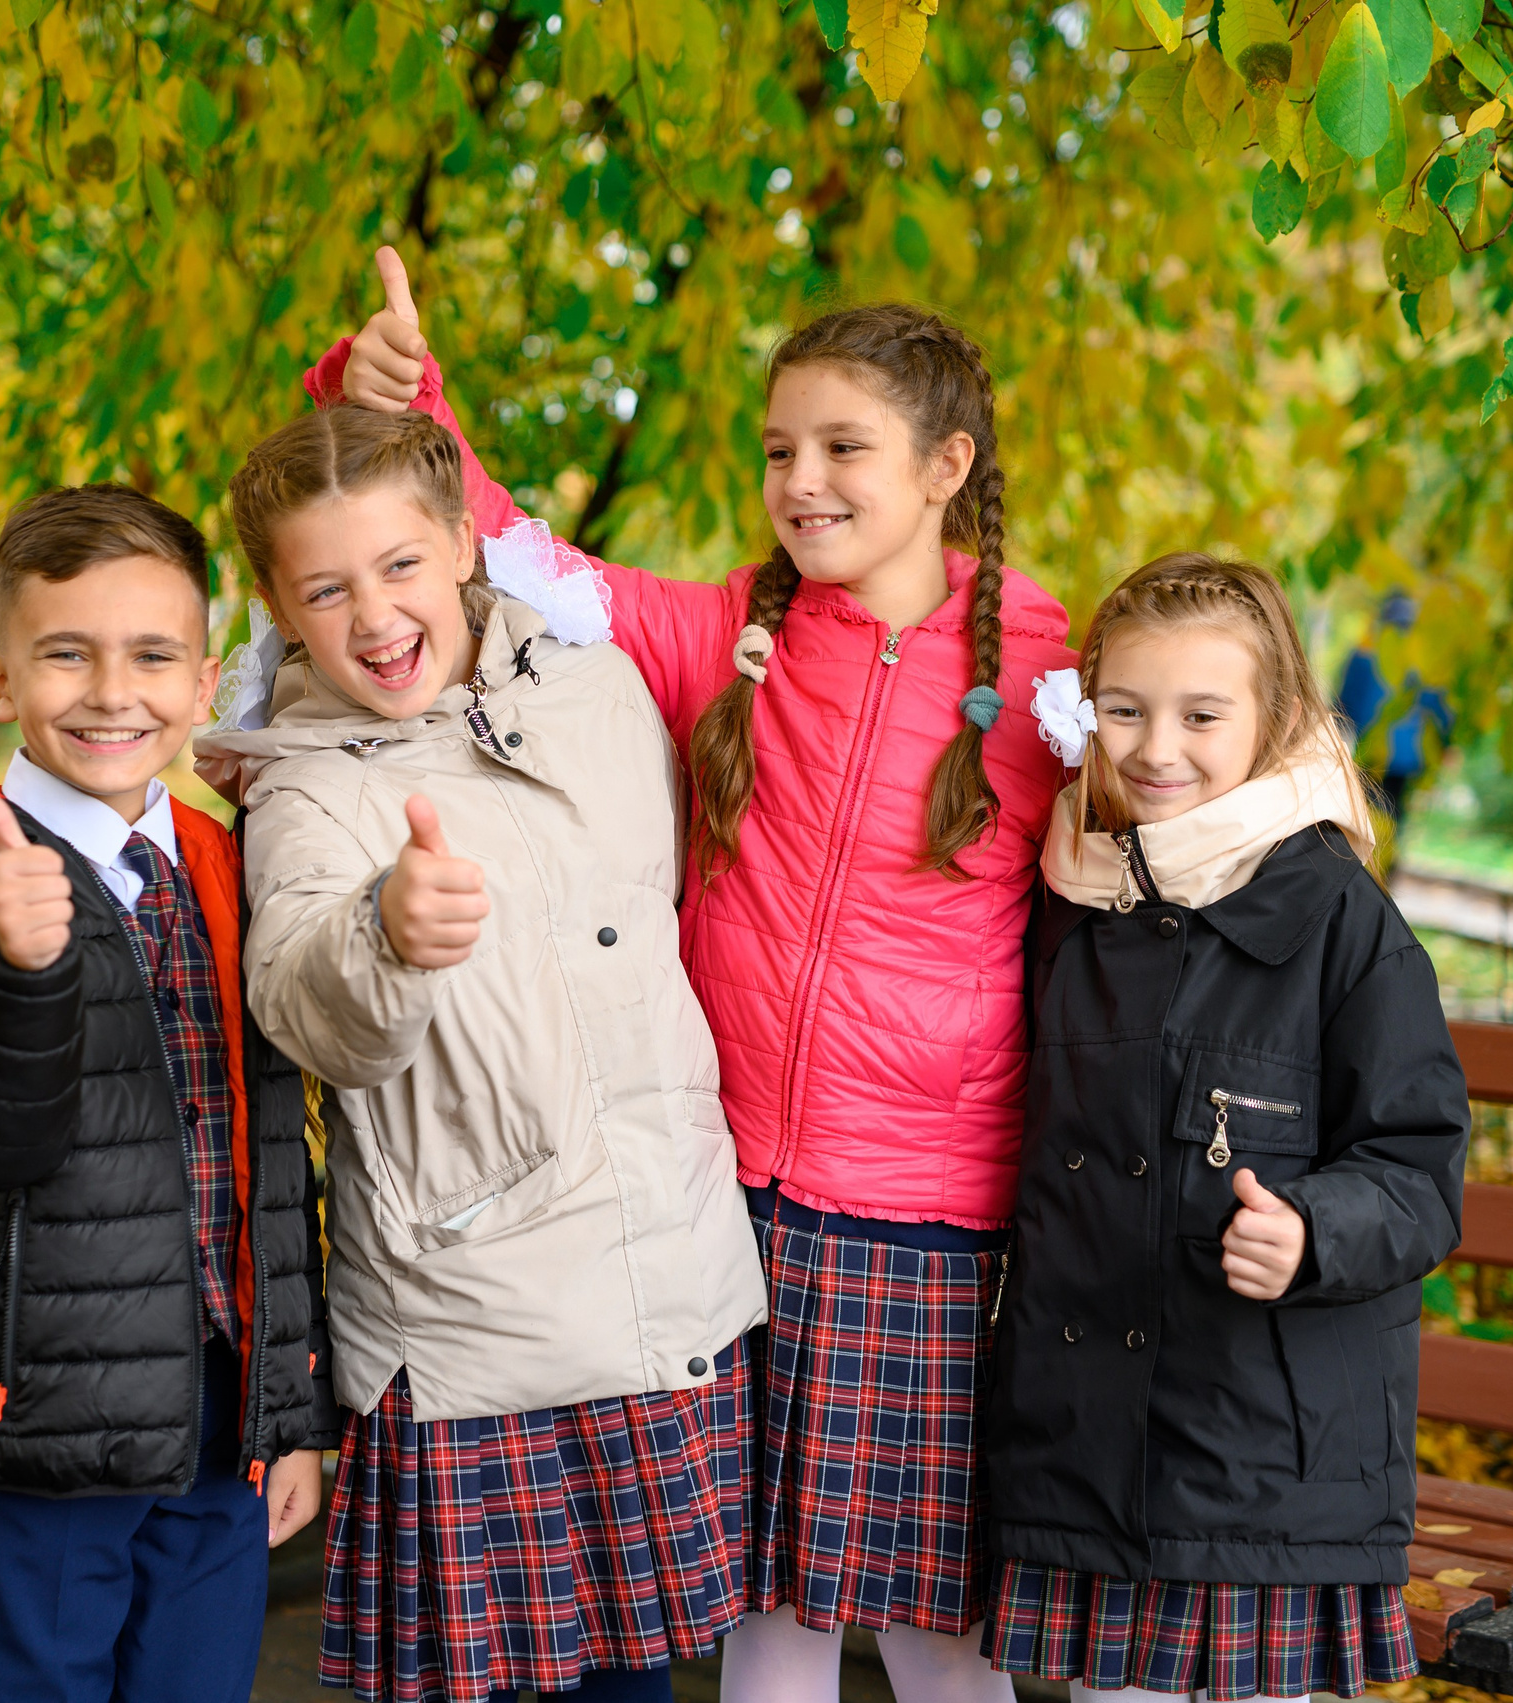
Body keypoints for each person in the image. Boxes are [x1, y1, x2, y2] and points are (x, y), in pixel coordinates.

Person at [325, 251, 1075, 1703]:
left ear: (947, 465)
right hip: (724, 1200)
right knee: (760, 1603)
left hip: (926, 1216)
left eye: (844, 446)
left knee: (931, 1621)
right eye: (781, 448)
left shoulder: (1051, 664)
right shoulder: (737, 628)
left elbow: (1202, 764)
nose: (802, 477)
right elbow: (536, 564)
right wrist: (416, 400)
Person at [194, 402, 770, 1703]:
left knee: (638, 1685)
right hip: (474, 1327)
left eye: (399, 564)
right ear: (281, 605)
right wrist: (385, 935)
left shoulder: (599, 688)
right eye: (325, 588)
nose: (375, 614)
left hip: (663, 1279)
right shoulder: (306, 782)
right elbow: (301, 1000)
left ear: (462, 542)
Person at [0, 484, 338, 1703]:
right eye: (66, 653)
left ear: (202, 674)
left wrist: (293, 1406)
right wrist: (16, 972)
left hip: (221, 1423)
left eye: (152, 655)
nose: (112, 691)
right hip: (40, 1427)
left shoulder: (228, 858)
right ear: (0, 678)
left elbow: (277, 1163)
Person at [983, 553, 1469, 1702]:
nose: (1158, 748)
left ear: (1274, 718)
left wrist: (1312, 1228)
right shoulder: (1070, 893)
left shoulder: (1339, 916)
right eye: (1125, 710)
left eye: (1202, 714)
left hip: (1266, 1459)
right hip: (1091, 1449)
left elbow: (1418, 1165)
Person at [1334, 591, 1452, 837]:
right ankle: (1383, 869)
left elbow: (1345, 702)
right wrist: (1445, 743)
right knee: (1393, 814)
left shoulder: (1365, 653)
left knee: (1362, 816)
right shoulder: (1423, 660)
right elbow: (1439, 706)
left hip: (1371, 751)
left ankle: (1364, 868)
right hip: (1409, 755)